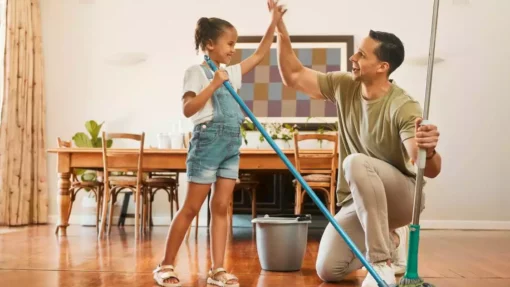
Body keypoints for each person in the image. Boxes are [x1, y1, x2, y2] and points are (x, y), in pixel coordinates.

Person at [273, 14, 442, 287]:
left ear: (382, 67)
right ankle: (389, 241)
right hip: (359, 200)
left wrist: (428, 150)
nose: (353, 57)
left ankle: (380, 262)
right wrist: (280, 31)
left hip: (403, 199)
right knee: (328, 269)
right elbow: (293, 75)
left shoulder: (403, 106)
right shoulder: (344, 86)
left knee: (355, 163)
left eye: (362, 55)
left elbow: (424, 166)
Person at [152, 2, 287, 287]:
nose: (233, 49)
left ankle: (217, 269)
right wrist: (213, 85)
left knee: (222, 206)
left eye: (235, 44)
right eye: (230, 43)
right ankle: (165, 265)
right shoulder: (196, 72)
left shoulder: (231, 73)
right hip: (206, 144)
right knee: (191, 207)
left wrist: (273, 21)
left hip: (230, 147)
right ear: (210, 44)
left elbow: (261, 54)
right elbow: (188, 109)